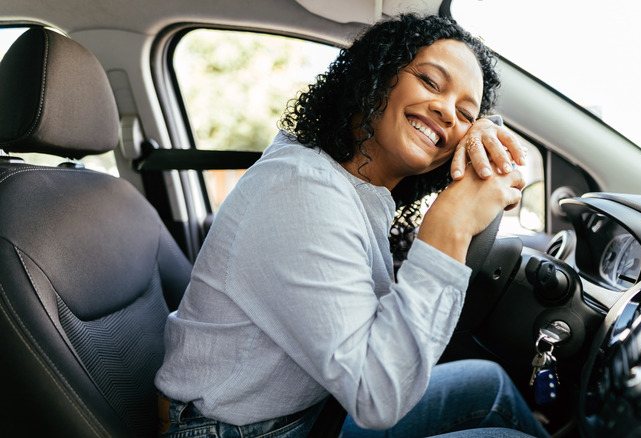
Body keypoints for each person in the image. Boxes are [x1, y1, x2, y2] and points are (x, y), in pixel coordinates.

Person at [155, 13, 549, 438]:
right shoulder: (302, 189)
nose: (447, 112)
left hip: (313, 413)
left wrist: (485, 130)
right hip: (232, 430)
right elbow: (376, 398)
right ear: (375, 76)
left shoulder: (352, 187)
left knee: (488, 385)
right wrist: (449, 228)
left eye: (465, 113)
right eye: (430, 82)